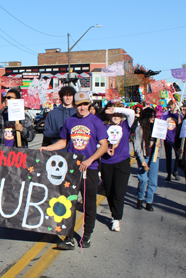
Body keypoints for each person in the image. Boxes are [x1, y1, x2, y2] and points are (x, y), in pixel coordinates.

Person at [39, 91, 108, 250]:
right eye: (79, 104)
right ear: (75, 105)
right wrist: (48, 148)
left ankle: (87, 235)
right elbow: (64, 142)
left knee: (88, 204)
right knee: (68, 203)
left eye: (85, 104)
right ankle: (69, 237)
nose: (82, 107)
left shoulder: (96, 122)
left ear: (89, 104)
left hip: (89, 169)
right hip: (72, 169)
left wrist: (90, 160)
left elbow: (104, 145)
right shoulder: (70, 121)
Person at [101, 103, 135, 232]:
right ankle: (113, 213)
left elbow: (131, 113)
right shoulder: (104, 127)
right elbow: (97, 142)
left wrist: (116, 109)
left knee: (119, 192)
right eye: (113, 115)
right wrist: (104, 150)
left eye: (118, 115)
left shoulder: (126, 125)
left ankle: (116, 218)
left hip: (122, 163)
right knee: (109, 192)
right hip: (106, 163)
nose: (116, 117)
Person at [134, 108, 162, 211]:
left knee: (153, 181)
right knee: (143, 179)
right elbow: (137, 146)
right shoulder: (139, 129)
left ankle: (149, 201)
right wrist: (142, 161)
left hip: (154, 156)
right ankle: (140, 198)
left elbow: (160, 144)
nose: (153, 119)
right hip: (144, 156)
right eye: (151, 116)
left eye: (154, 116)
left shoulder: (157, 129)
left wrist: (159, 145)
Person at [162, 100, 183, 181]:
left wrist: (178, 116)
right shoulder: (166, 114)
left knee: (178, 156)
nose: (171, 106)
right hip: (168, 138)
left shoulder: (179, 114)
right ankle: (169, 173)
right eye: (170, 105)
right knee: (168, 157)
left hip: (176, 139)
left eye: (173, 105)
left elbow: (180, 125)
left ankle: (175, 171)